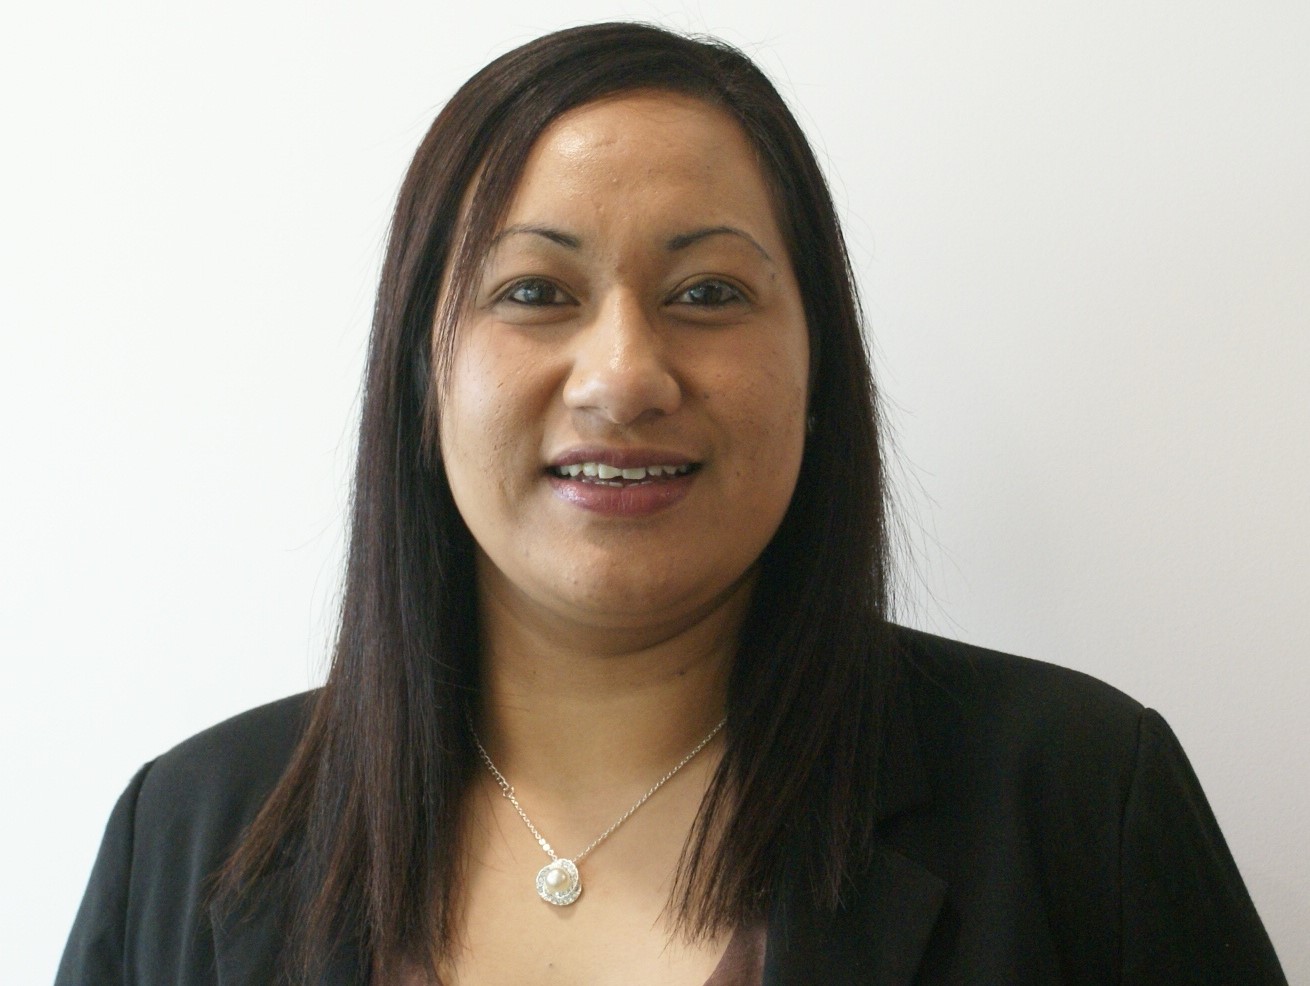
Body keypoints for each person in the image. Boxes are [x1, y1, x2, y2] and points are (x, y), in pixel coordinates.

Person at [56, 22, 1286, 986]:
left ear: (818, 371)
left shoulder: (1074, 798)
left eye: (706, 293)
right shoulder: (192, 831)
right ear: (421, 380)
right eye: (534, 291)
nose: (623, 376)